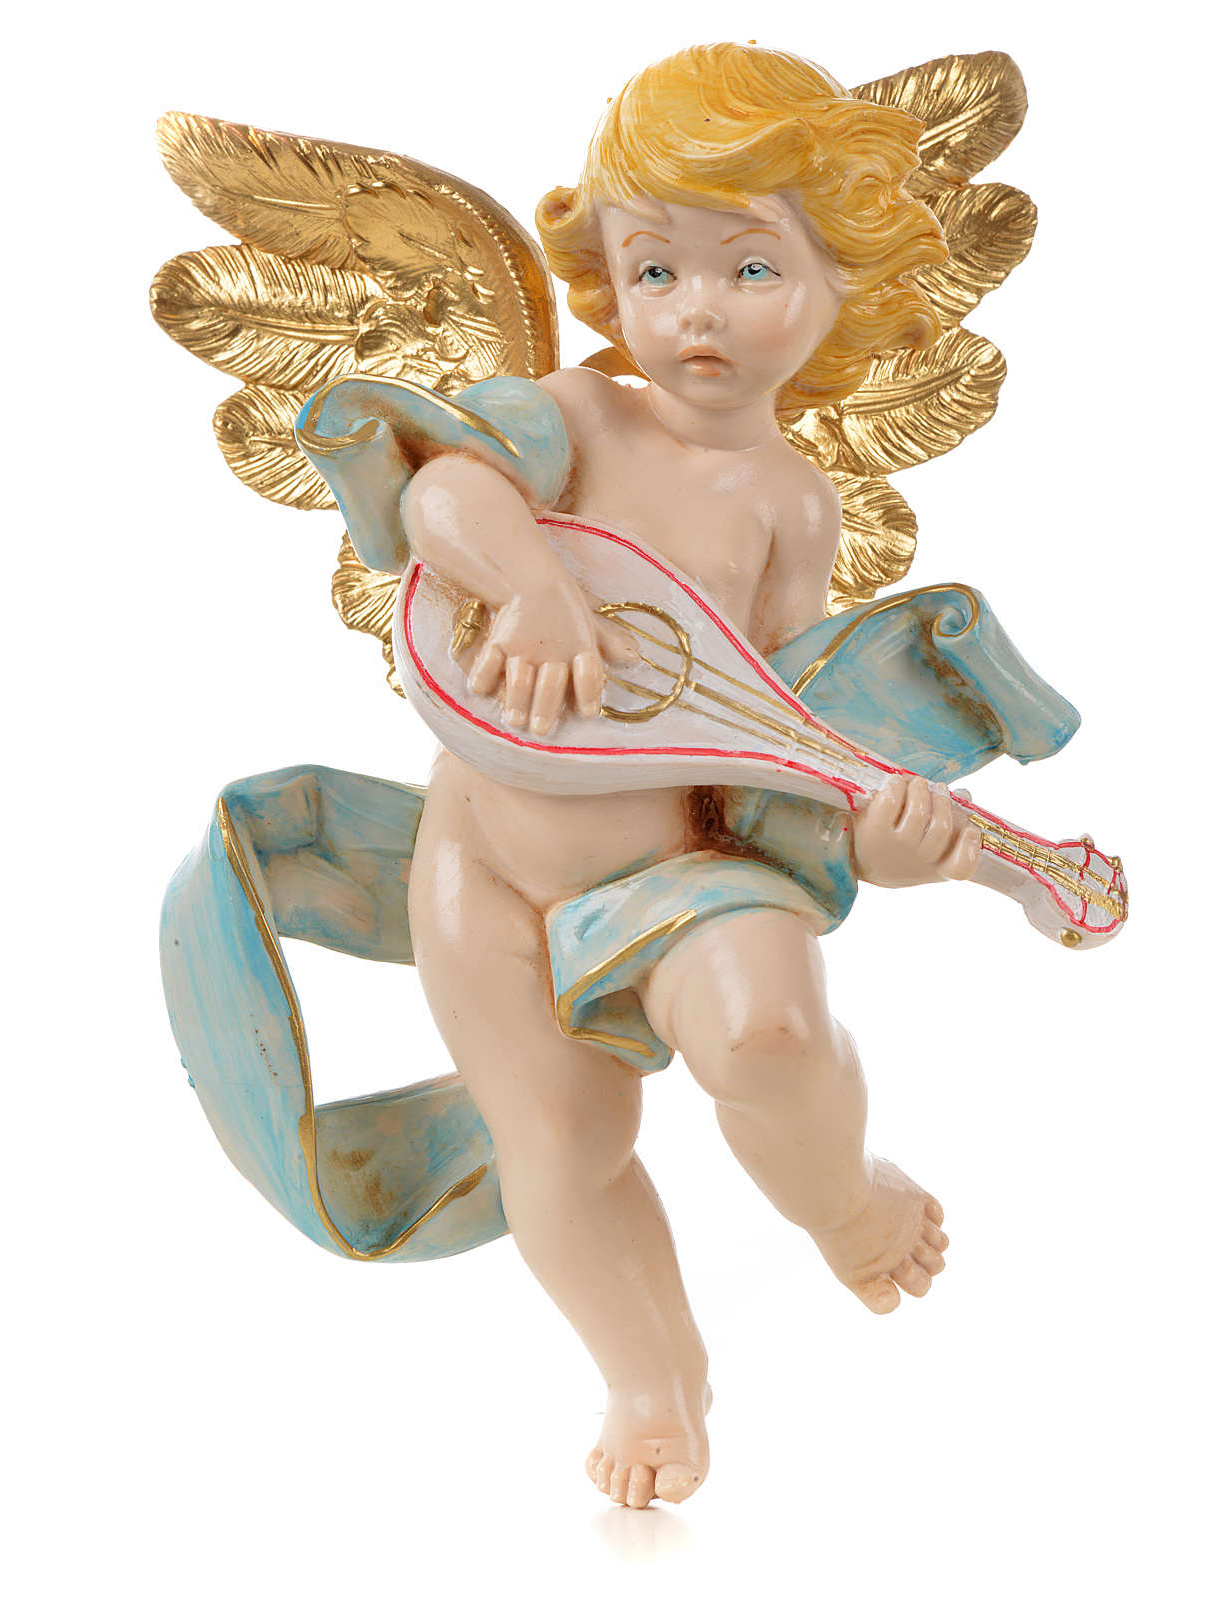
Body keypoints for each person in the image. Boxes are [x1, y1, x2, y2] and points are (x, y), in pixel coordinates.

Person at [395, 43, 979, 1509]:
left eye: (749, 266)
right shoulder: (574, 416)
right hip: (488, 866)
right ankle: (652, 1377)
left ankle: (844, 1198)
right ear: (609, 278)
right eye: (654, 271)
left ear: (843, 287)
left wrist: (875, 842)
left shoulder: (790, 505)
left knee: (770, 1036)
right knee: (560, 1142)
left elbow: (781, 726)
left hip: (681, 858)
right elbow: (438, 490)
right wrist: (528, 581)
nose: (694, 309)